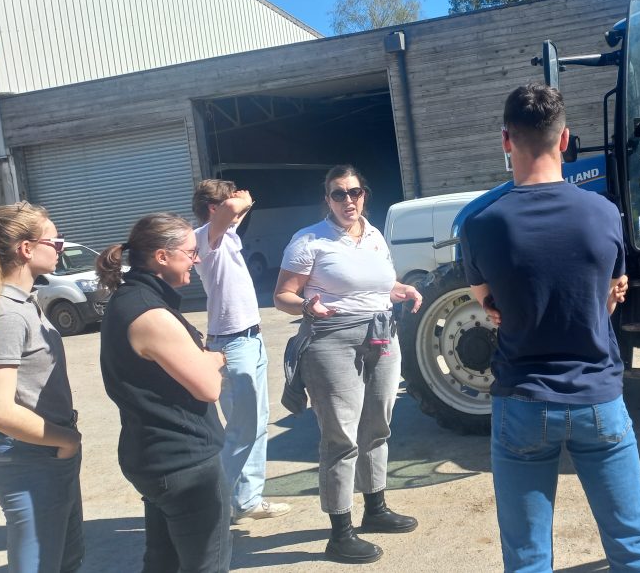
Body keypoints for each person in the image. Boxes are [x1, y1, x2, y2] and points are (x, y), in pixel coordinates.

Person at [462, 83, 640, 572]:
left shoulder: (481, 225)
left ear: (507, 140)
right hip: (598, 397)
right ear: (566, 139)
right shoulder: (605, 213)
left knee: (528, 558)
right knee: (633, 547)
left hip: (522, 400)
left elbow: (491, 305)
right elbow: (608, 298)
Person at [273, 165, 422, 565]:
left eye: (354, 192)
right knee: (341, 437)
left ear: (364, 194)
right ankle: (340, 533)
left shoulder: (373, 235)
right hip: (331, 340)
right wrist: (307, 304)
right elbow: (282, 294)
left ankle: (376, 509)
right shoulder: (309, 240)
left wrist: (400, 289)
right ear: (327, 199)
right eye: (338, 194)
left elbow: (377, 285)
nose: (347, 200)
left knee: (378, 425)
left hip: (381, 334)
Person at [97, 213, 230, 573]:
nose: (197, 259)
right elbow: (207, 388)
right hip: (184, 461)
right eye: (190, 252)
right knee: (207, 564)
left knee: (162, 561)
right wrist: (214, 358)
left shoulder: (128, 300)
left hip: (156, 458)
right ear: (161, 257)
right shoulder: (149, 314)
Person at [0, 202, 84, 572]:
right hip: (32, 459)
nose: (61, 248)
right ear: (26, 248)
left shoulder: (25, 302)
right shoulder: (5, 313)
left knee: (65, 562)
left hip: (47, 453)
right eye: (55, 241)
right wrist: (65, 441)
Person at [191, 179, 290, 525]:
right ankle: (213, 505)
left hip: (250, 339)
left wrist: (237, 207)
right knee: (241, 429)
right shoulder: (205, 237)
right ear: (213, 209)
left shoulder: (227, 237)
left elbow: (233, 214)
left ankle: (247, 499)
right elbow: (234, 209)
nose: (237, 204)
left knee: (256, 424)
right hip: (232, 344)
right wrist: (245, 198)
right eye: (228, 200)